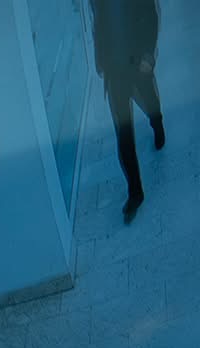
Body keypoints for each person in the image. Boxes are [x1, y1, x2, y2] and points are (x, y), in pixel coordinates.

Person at [92, 0, 165, 225]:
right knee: (123, 134)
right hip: (114, 71)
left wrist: (148, 55)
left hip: (138, 62)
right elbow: (98, 24)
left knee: (150, 102)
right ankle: (135, 192)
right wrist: (100, 60)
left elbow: (151, 16)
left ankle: (157, 123)